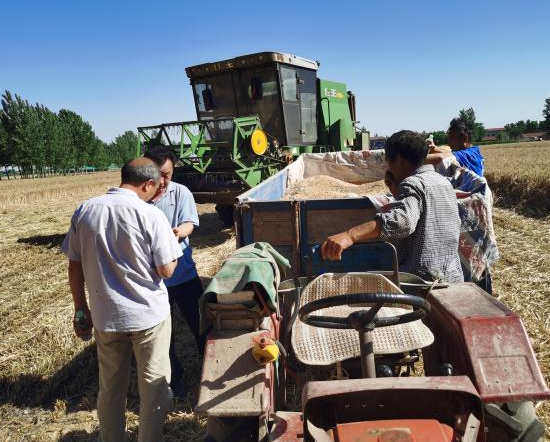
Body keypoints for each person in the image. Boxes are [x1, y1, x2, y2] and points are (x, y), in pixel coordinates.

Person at [61, 158, 183, 442]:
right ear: (148, 184)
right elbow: (166, 270)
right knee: (153, 387)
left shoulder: (85, 211)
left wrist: (81, 310)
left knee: (111, 387)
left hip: (106, 318)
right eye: (157, 186)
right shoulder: (151, 215)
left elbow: (74, 266)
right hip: (148, 318)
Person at [322, 130, 464, 284]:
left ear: (400, 160)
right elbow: (423, 214)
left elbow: (403, 221)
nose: (388, 168)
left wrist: (350, 235)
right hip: (453, 277)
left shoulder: (412, 183)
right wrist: (397, 193)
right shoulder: (442, 181)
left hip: (423, 284)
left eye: (389, 161)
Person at [143, 146, 203, 396]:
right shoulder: (140, 196)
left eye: (167, 174)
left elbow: (190, 223)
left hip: (184, 274)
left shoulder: (181, 192)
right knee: (161, 334)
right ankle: (174, 379)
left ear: (173, 169)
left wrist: (178, 232)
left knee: (201, 324)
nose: (163, 180)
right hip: (153, 280)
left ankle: (208, 371)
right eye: (158, 174)